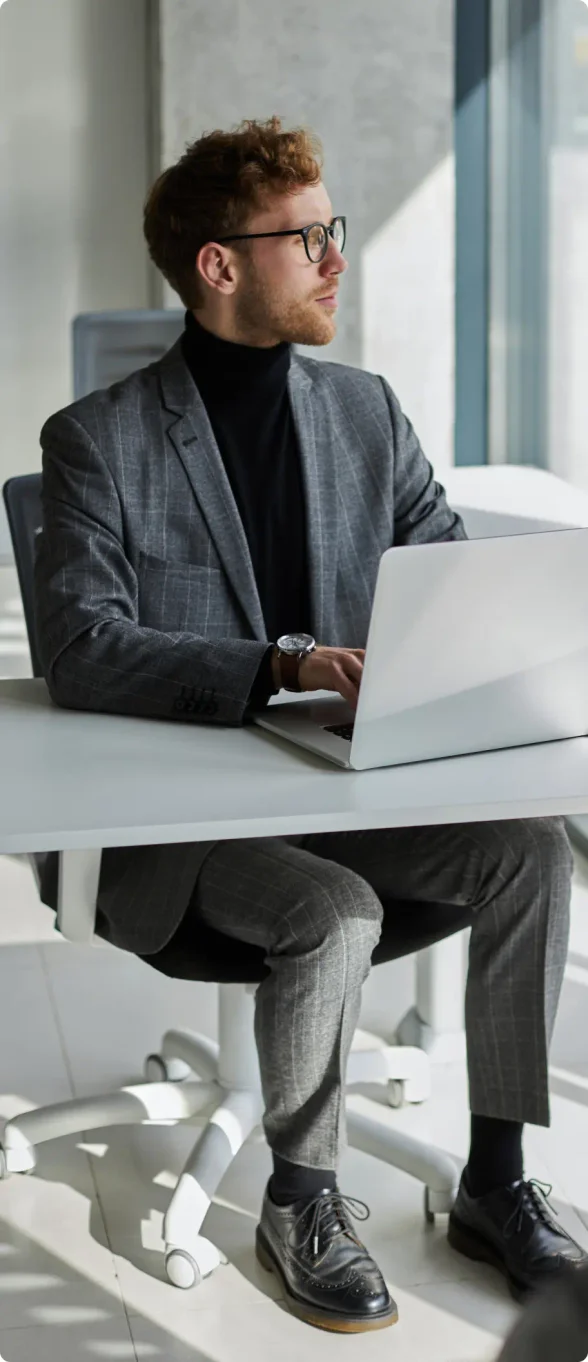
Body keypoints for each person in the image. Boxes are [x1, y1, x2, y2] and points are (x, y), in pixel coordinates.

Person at [34, 116, 586, 1335]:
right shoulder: (97, 445)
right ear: (220, 265)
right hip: (178, 829)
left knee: (533, 849)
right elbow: (82, 650)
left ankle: (496, 1180)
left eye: (334, 229)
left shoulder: (364, 414)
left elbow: (446, 577)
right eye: (307, 237)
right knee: (331, 912)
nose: (337, 257)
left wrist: (501, 652)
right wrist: (281, 659)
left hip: (348, 789)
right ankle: (303, 1196)